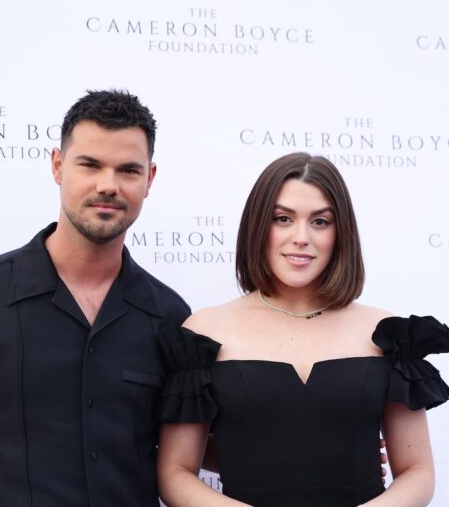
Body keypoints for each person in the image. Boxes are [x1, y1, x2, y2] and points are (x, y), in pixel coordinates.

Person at [0, 90, 191, 507]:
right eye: (90, 165)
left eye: (128, 170)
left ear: (149, 179)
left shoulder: (171, 318)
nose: (108, 185)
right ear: (58, 166)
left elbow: (185, 457)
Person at [156, 152, 449, 507]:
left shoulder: (385, 333)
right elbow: (175, 472)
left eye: (320, 222)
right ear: (257, 226)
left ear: (340, 233)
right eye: (282, 218)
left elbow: (418, 471)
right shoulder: (204, 332)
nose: (301, 237)